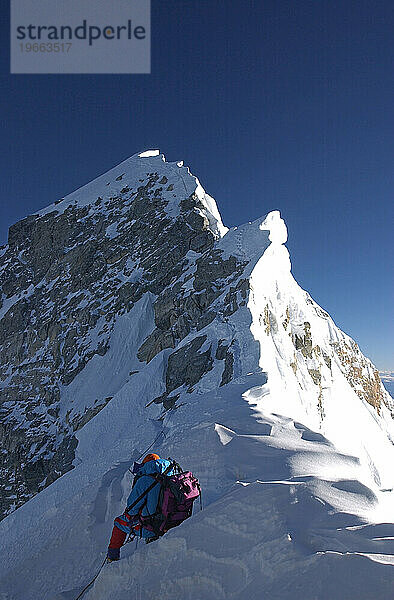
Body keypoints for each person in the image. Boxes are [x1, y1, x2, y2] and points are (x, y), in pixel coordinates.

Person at [107, 453, 174, 561]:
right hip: (170, 521)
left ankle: (112, 557)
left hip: (153, 526)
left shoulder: (145, 479)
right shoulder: (169, 475)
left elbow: (132, 508)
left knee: (118, 523)